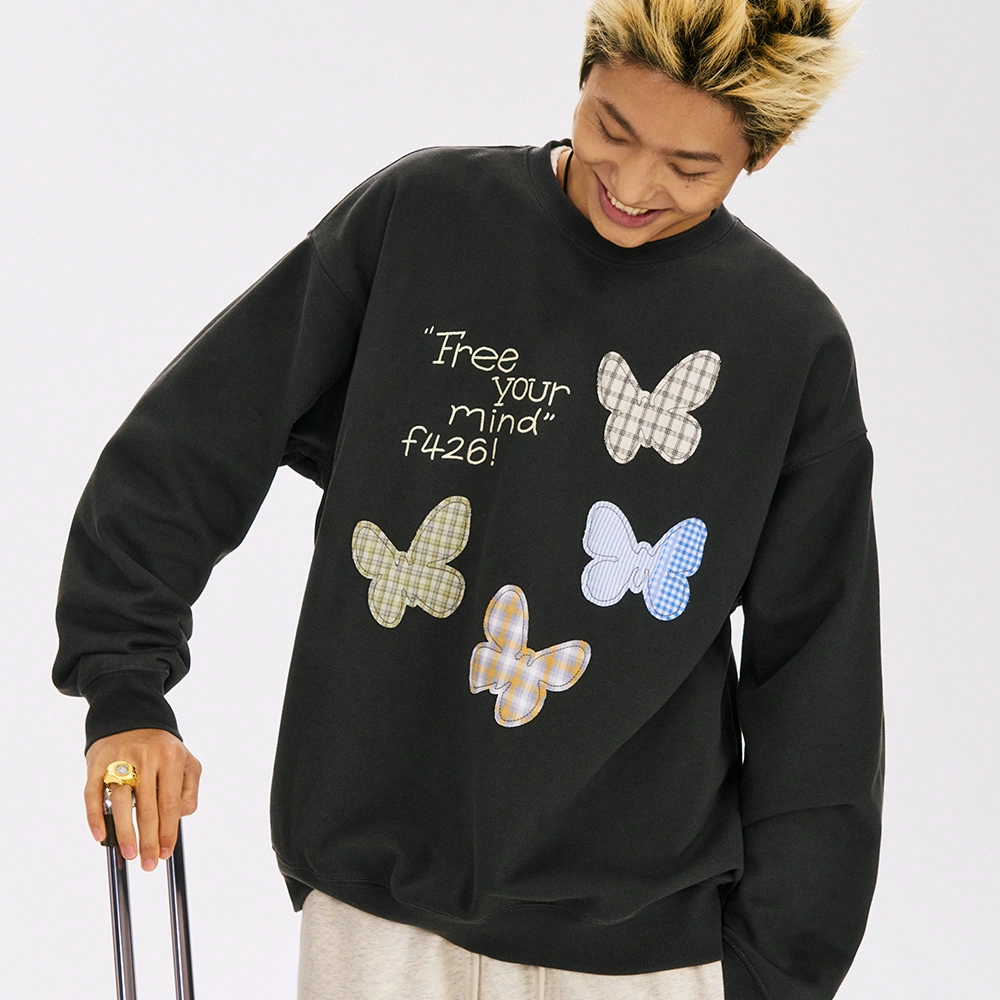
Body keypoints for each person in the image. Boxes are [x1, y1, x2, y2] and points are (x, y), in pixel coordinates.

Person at [53, 1, 884, 997]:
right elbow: (196, 441)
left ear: (761, 154)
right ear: (584, 73)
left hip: (651, 947)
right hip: (380, 911)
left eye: (688, 167)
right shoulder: (424, 221)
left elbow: (819, 671)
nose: (631, 184)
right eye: (611, 127)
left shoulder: (785, 341)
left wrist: (775, 970)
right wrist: (125, 688)